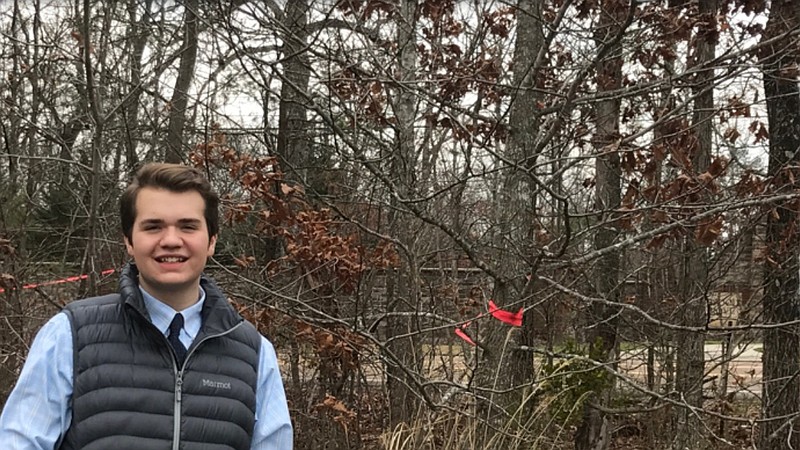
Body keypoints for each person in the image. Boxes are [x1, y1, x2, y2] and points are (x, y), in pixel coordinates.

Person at [0, 163, 293, 449]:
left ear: (212, 240)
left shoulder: (254, 354)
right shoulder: (70, 336)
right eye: (153, 227)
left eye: (188, 226)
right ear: (129, 241)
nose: (170, 240)